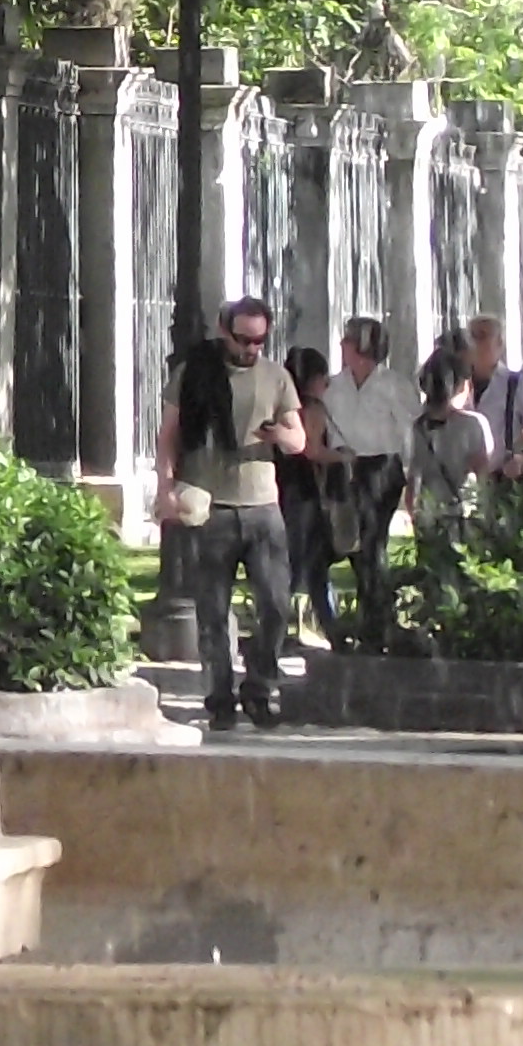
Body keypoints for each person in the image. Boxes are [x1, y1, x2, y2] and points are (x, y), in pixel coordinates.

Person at [158, 294, 305, 730]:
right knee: (213, 612)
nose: (250, 349)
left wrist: (279, 434)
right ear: (225, 330)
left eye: (259, 340)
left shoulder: (276, 377)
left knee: (277, 605)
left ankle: (259, 686)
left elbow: (299, 441)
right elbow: (168, 434)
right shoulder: (195, 373)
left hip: (263, 507)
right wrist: (165, 487)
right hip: (211, 507)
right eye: (243, 339)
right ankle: (219, 697)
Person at [308, 315, 414, 651]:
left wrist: (410, 476)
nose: (341, 346)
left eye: (348, 341)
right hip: (344, 466)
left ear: (362, 348)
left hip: (381, 467)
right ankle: (352, 623)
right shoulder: (333, 387)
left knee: (371, 541)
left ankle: (375, 624)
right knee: (341, 542)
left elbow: (411, 432)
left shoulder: (394, 385)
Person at [408, 340, 495, 561]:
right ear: (461, 385)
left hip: (429, 515)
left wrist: (415, 512)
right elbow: (482, 472)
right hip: (464, 515)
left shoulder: (417, 427)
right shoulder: (473, 424)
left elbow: (413, 477)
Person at [277, 346, 336, 641]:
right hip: (304, 491)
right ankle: (328, 627)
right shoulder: (312, 408)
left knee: (303, 563)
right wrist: (345, 457)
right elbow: (311, 450)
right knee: (305, 563)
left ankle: (328, 627)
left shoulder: (283, 405)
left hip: (283, 488)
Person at [464, 315, 523, 483]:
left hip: (503, 482)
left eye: (483, 336)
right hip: (462, 484)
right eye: (472, 336)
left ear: (499, 344)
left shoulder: (516, 383)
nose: (476, 343)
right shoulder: (455, 382)